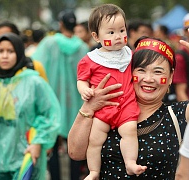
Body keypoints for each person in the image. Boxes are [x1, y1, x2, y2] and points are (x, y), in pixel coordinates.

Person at [68, 28, 189, 179]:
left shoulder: (177, 114)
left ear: (171, 77)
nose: (148, 79)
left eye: (158, 72)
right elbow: (75, 152)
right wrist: (88, 107)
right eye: (141, 70)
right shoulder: (106, 107)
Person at [77, 4, 147, 179]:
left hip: (126, 105)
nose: (118, 36)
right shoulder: (91, 59)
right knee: (94, 140)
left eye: (122, 30)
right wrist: (84, 90)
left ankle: (130, 163)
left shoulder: (130, 55)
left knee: (130, 131)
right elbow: (81, 79)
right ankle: (93, 171)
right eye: (111, 32)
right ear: (96, 36)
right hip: (103, 108)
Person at [0, 33, 60, 180]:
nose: (5, 56)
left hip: (24, 158)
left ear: (20, 53)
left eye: (10, 51)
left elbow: (50, 115)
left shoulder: (33, 83)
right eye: (0, 51)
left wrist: (38, 142)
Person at [32, 9, 89, 180]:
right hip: (76, 104)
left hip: (52, 102)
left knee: (53, 146)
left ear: (60, 24)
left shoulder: (49, 43)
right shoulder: (83, 47)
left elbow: (35, 66)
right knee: (75, 147)